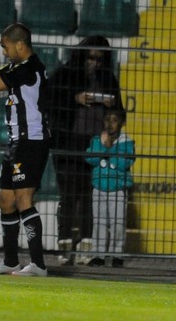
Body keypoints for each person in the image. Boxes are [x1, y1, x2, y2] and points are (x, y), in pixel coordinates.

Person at [0, 23, 51, 277]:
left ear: (20, 45)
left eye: (6, 47)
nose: (4, 52)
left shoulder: (29, 70)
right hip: (16, 141)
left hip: (31, 141)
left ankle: (38, 264)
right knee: (5, 200)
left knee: (23, 199)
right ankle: (10, 261)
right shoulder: (17, 68)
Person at [48, 36, 123, 265]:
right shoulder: (64, 74)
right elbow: (50, 102)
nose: (95, 63)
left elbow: (120, 112)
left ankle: (86, 247)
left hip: (95, 144)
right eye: (91, 57)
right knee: (69, 196)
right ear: (82, 55)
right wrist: (75, 99)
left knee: (90, 197)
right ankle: (65, 246)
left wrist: (111, 111)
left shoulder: (107, 78)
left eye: (99, 59)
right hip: (67, 142)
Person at [84, 107, 135, 268]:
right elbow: (90, 158)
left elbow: (124, 163)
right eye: (107, 120)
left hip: (118, 188)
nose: (110, 124)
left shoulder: (127, 142)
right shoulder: (97, 140)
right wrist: (104, 147)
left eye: (114, 120)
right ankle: (98, 255)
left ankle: (116, 254)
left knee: (118, 223)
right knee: (99, 222)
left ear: (122, 123)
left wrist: (108, 151)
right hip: (99, 186)